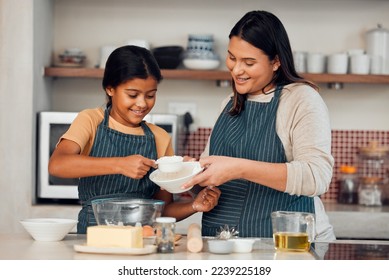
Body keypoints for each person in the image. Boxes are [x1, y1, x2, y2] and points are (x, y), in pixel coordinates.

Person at [183, 10, 336, 241]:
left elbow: (316, 177)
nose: (236, 70)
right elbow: (213, 180)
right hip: (225, 247)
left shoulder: (301, 99)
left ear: (276, 61)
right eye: (232, 58)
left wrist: (238, 168)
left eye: (249, 62)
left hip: (289, 247)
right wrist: (193, 175)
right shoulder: (229, 103)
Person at [48, 45, 220, 234]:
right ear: (110, 88)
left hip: (142, 241)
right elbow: (58, 164)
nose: (142, 103)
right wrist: (120, 165)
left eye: (150, 95)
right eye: (132, 95)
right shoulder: (90, 120)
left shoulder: (160, 137)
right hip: (94, 237)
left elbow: (162, 210)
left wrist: (193, 205)